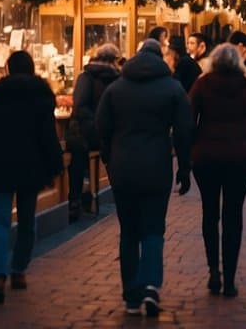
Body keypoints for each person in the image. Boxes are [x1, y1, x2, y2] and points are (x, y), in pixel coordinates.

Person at [96, 38, 192, 317]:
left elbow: (101, 128)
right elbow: (185, 130)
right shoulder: (172, 88)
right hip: (156, 167)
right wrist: (184, 168)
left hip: (123, 169)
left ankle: (130, 295)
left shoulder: (116, 88)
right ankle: (150, 285)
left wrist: (108, 159)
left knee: (129, 231)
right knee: (153, 228)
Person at [0, 50, 64, 304]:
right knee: (27, 221)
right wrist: (55, 167)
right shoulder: (42, 99)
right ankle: (19, 270)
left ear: (8, 69)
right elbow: (48, 137)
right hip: (30, 168)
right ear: (32, 69)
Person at [189, 43, 246, 298]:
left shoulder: (203, 84)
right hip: (239, 157)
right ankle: (229, 278)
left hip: (206, 156)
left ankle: (213, 272)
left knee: (210, 213)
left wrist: (191, 147)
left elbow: (190, 118)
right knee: (233, 215)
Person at [66, 43, 121, 221]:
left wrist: (92, 124)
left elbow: (80, 105)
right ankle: (116, 197)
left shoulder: (86, 77)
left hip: (85, 133)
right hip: (108, 134)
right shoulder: (117, 79)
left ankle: (75, 200)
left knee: (77, 161)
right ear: (114, 60)